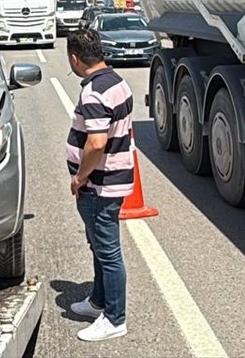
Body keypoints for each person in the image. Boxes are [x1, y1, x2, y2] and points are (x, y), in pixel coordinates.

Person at [64, 28, 134, 341]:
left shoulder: (93, 92)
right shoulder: (117, 81)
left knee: (108, 252)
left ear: (75, 59)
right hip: (113, 178)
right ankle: (98, 301)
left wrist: (81, 176)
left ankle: (114, 318)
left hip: (100, 184)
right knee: (98, 245)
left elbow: (95, 143)